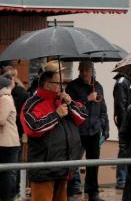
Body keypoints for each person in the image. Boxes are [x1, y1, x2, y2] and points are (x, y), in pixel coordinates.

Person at [21, 67, 87, 201]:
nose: (61, 86)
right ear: (47, 85)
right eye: (58, 83)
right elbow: (33, 128)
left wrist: (70, 103)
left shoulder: (61, 100)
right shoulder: (31, 103)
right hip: (44, 170)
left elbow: (82, 116)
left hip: (64, 168)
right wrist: (56, 115)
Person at [66, 61, 109, 201]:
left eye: (87, 70)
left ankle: (92, 193)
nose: (84, 73)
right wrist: (87, 99)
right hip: (78, 131)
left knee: (93, 164)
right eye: (82, 70)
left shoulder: (98, 86)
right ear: (79, 70)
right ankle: (70, 192)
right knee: (73, 163)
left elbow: (103, 108)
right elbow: (70, 107)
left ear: (92, 70)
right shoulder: (72, 86)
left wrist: (104, 126)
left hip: (94, 131)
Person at [113, 71, 131, 190]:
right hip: (126, 123)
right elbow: (120, 105)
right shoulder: (122, 82)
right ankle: (121, 180)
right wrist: (125, 124)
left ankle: (130, 178)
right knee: (124, 149)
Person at [0, 74, 20, 201]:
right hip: (6, 142)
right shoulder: (5, 97)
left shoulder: (5, 99)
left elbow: (1, 120)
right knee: (5, 173)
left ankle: (8, 197)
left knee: (8, 173)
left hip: (8, 143)